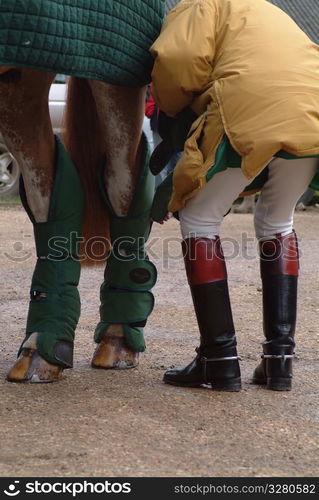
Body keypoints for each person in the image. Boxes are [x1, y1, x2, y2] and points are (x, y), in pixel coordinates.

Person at [150, 0, 319, 391]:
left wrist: (171, 107)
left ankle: (220, 360)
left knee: (199, 219)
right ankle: (279, 362)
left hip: (249, 104)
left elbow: (178, 61)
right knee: (277, 221)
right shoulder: (269, 9)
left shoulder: (201, 4)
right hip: (312, 108)